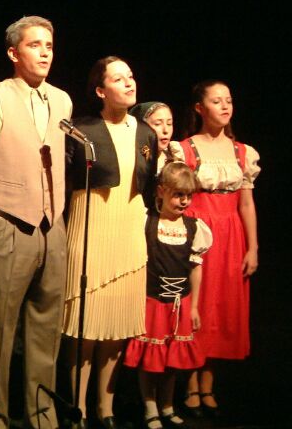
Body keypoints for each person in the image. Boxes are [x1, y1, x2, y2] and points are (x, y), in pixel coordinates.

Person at [0, 15, 72, 428]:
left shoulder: (61, 100)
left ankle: (41, 415)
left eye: (49, 45)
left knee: (46, 328)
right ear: (14, 53)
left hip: (53, 224)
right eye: (34, 45)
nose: (45, 53)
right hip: (9, 222)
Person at [63, 56, 156, 428]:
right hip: (90, 229)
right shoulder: (79, 129)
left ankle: (106, 408)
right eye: (119, 79)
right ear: (101, 90)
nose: (129, 83)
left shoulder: (145, 132)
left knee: (116, 329)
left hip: (128, 231)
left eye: (130, 76)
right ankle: (78, 409)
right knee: (84, 330)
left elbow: (148, 184)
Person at [170, 80, 260, 418]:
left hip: (231, 236)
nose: (225, 106)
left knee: (222, 308)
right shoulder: (185, 149)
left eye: (229, 101)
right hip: (197, 231)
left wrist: (253, 247)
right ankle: (190, 383)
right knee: (198, 304)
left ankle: (208, 383)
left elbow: (246, 204)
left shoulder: (242, 152)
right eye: (217, 101)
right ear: (199, 108)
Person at [124, 162, 212, 429]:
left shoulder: (194, 227)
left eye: (188, 195)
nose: (184, 201)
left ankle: (167, 404)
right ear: (161, 191)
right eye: (178, 195)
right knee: (150, 357)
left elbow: (195, 269)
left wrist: (193, 306)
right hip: (152, 301)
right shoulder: (148, 222)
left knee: (172, 358)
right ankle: (150, 406)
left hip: (179, 303)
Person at [130, 101, 174, 171]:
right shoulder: (131, 160)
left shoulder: (175, 159)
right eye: (157, 124)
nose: (166, 130)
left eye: (169, 123)